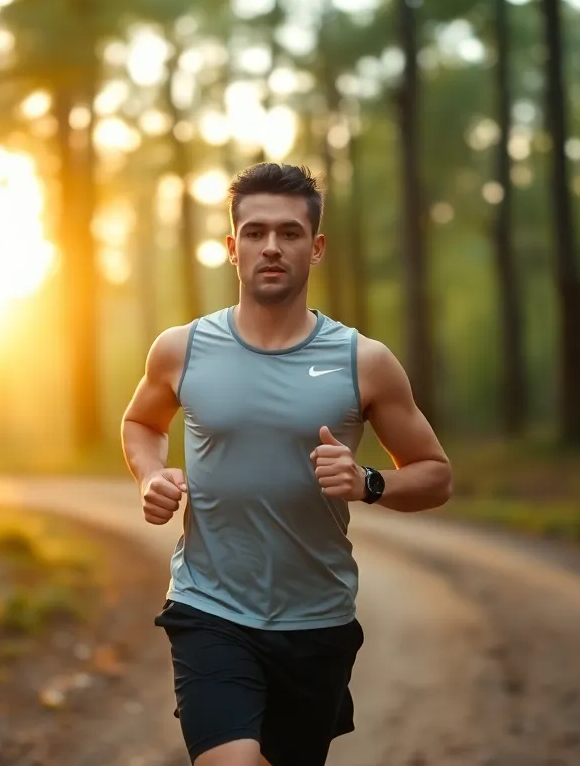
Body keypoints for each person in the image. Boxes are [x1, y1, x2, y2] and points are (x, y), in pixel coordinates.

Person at [120, 162, 452, 766]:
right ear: (231, 247)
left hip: (315, 622)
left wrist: (368, 482)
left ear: (316, 247)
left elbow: (435, 475)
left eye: (290, 233)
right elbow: (141, 423)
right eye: (254, 232)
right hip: (209, 608)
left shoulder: (365, 361)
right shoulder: (181, 349)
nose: (271, 247)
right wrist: (151, 475)